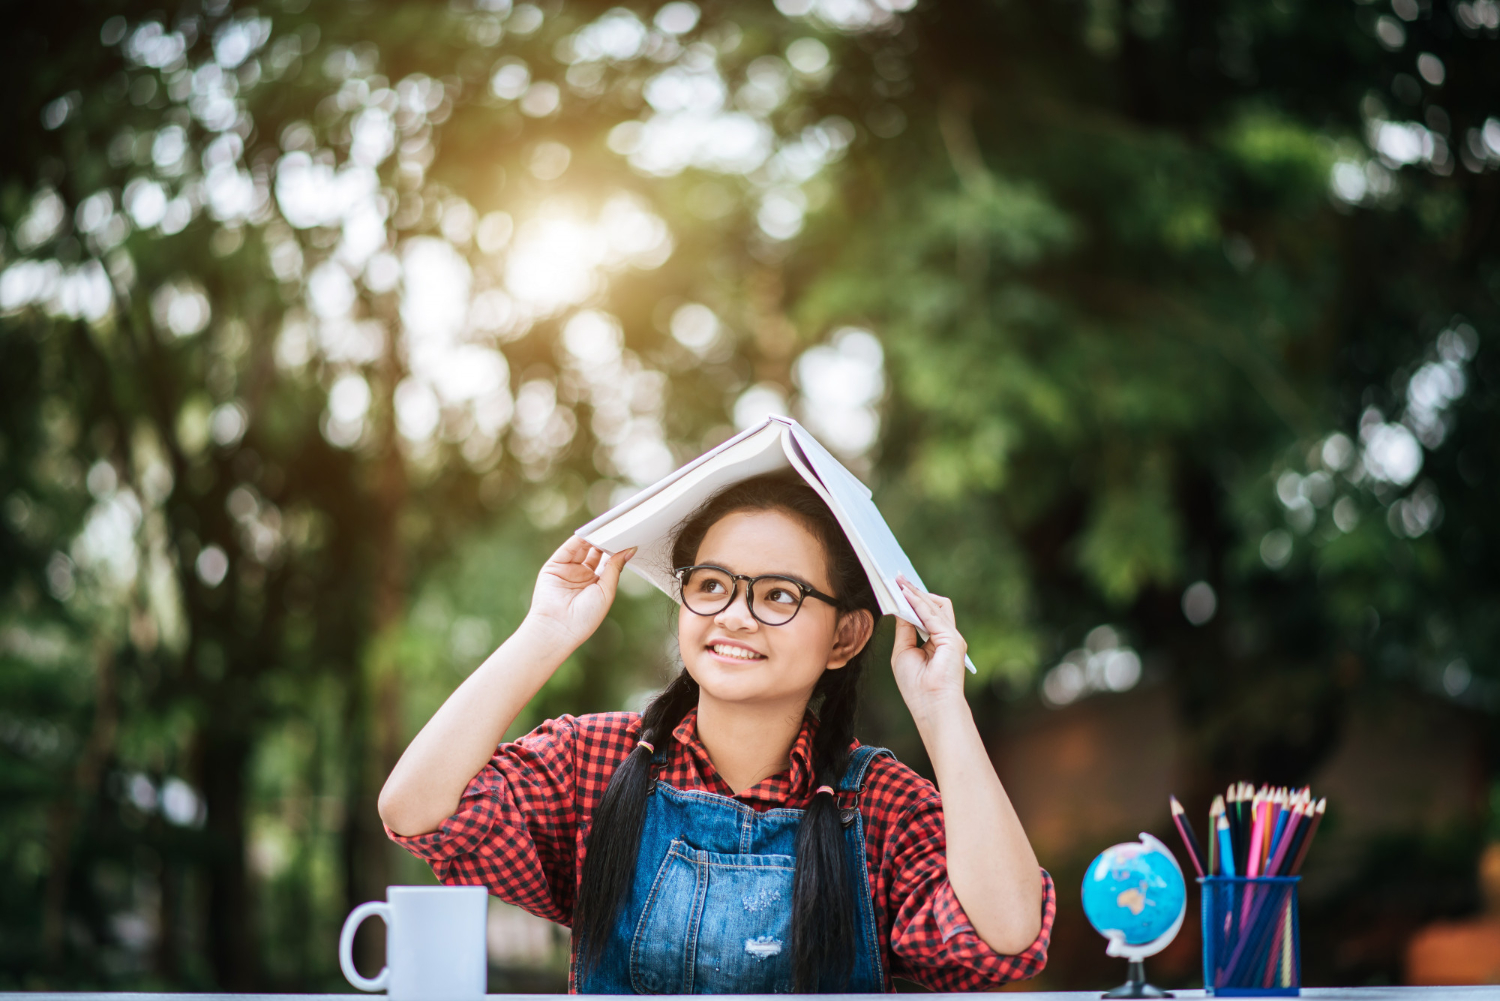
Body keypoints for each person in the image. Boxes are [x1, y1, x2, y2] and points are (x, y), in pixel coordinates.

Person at [379, 472, 1054, 993]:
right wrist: (547, 630)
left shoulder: (877, 803)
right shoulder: (597, 760)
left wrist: (942, 708)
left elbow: (1004, 937)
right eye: (712, 584)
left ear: (845, 635)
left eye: (779, 594)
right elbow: (416, 810)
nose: (734, 615)